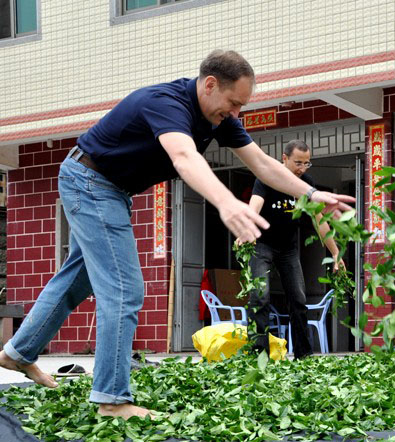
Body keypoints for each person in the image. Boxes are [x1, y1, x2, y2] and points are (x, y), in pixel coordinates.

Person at [0, 50, 355, 419]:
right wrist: (226, 202)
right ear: (210, 85)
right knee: (123, 289)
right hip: (89, 181)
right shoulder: (167, 104)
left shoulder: (221, 117)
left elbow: (263, 164)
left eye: (242, 107)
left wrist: (312, 195)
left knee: (76, 280)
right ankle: (112, 400)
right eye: (233, 103)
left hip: (110, 189)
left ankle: (15, 354)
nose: (236, 114)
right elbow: (185, 158)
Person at [247, 139, 344, 358]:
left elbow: (319, 220)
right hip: (262, 245)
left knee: (299, 301)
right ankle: (257, 357)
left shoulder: (306, 183)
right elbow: (255, 206)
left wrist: (335, 251)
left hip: (288, 249)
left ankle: (304, 356)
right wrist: (247, 228)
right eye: (298, 163)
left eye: (306, 163)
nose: (302, 169)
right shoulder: (267, 178)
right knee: (259, 297)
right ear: (284, 158)